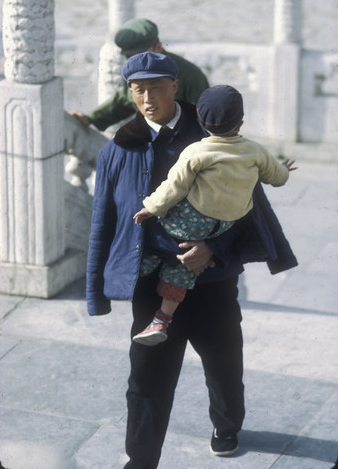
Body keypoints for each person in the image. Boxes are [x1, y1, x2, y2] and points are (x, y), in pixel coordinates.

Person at [86, 51, 298, 467]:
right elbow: (102, 222)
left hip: (213, 283)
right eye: (138, 89)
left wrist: (212, 250)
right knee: (145, 380)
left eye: (156, 87)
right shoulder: (118, 149)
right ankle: (140, 460)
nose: (148, 97)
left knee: (224, 369)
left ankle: (227, 424)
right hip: (150, 286)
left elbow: (248, 209)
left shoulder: (215, 141)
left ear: (175, 87)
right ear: (130, 92)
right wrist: (97, 291)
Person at [132, 84, 297, 346]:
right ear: (240, 124)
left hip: (190, 220)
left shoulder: (197, 151)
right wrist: (284, 169)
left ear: (200, 120)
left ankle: (143, 267)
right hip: (222, 226)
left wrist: (151, 207)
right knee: (183, 271)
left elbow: (174, 187)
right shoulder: (255, 151)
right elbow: (276, 178)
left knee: (163, 235)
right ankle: (161, 319)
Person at [70, 18, 209, 131]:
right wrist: (90, 119)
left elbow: (203, 123)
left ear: (158, 47)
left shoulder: (191, 76)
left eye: (141, 55)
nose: (136, 62)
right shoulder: (133, 71)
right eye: (130, 57)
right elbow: (123, 101)